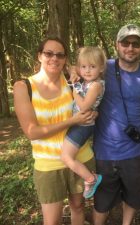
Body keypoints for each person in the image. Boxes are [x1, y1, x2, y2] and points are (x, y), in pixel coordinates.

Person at [13, 37, 96, 225]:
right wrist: (72, 120)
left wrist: (91, 114)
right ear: (39, 56)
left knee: (78, 207)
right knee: (52, 221)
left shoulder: (71, 80)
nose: (54, 58)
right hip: (48, 164)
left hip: (79, 157)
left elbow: (92, 93)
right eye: (48, 53)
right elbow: (32, 132)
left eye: (60, 55)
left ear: (65, 59)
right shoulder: (23, 87)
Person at [93, 24, 140, 225]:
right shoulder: (103, 69)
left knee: (133, 197)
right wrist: (72, 70)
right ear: (117, 45)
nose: (130, 48)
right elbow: (82, 68)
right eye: (125, 43)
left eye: (136, 43)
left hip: (136, 151)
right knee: (102, 200)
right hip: (105, 150)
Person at [61, 46, 106, 199]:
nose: (87, 71)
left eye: (92, 67)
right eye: (84, 67)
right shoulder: (86, 81)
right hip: (78, 124)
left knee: (66, 157)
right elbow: (72, 66)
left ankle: (91, 179)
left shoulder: (96, 85)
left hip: (83, 125)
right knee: (67, 155)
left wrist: (74, 89)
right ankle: (89, 178)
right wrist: (74, 72)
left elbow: (84, 106)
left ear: (101, 68)